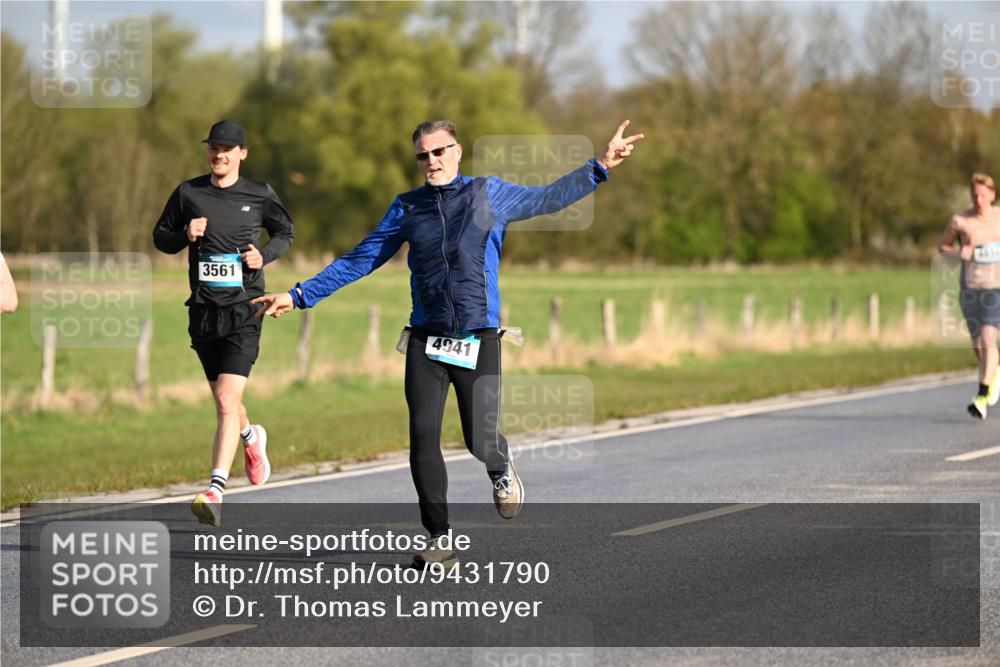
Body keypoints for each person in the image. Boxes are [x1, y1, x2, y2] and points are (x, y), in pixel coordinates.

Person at [252, 119, 643, 567]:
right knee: (422, 434)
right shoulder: (407, 207)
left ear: (457, 152)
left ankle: (499, 467)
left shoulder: (488, 194)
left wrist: (599, 166)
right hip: (426, 338)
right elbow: (360, 259)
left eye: (439, 151)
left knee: (480, 437)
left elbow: (545, 199)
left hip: (478, 334)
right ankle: (440, 537)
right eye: (423, 155)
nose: (431, 161)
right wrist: (298, 295)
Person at [153, 120, 294, 525]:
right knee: (226, 401)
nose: (219, 155)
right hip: (203, 311)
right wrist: (185, 233)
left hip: (245, 309)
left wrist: (262, 257)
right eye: (214, 148)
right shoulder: (188, 193)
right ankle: (252, 438)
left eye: (227, 149)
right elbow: (160, 238)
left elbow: (286, 232)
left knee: (225, 402)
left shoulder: (260, 194)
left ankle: (215, 490)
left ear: (242, 154)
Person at [939, 172, 1000, 419]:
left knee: (988, 337)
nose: (978, 199)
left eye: (983, 195)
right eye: (974, 195)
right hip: (970, 288)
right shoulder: (960, 221)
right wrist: (957, 254)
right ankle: (994, 371)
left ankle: (982, 396)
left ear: (992, 195)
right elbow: (942, 247)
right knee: (978, 344)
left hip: (995, 288)